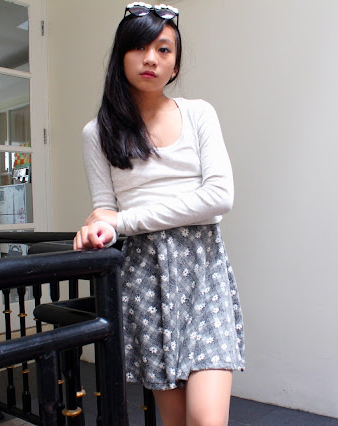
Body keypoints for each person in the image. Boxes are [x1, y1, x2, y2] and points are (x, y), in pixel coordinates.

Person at [73, 3, 245, 424]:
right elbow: (105, 208)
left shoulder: (199, 113)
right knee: (175, 418)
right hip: (145, 276)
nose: (151, 58)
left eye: (164, 50)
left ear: (175, 65)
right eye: (139, 48)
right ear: (121, 56)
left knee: (205, 418)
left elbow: (219, 197)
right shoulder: (97, 133)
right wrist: (96, 229)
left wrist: (121, 222)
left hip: (202, 268)